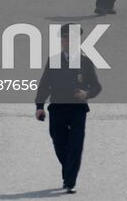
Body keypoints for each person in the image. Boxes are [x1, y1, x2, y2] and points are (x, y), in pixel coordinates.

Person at [34, 23, 102, 194]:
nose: (66, 42)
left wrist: (86, 94)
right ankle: (68, 170)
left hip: (78, 110)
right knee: (59, 143)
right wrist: (39, 106)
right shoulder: (54, 60)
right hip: (57, 109)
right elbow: (45, 84)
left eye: (70, 39)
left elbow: (96, 87)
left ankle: (70, 181)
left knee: (76, 145)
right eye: (64, 39)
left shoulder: (85, 62)